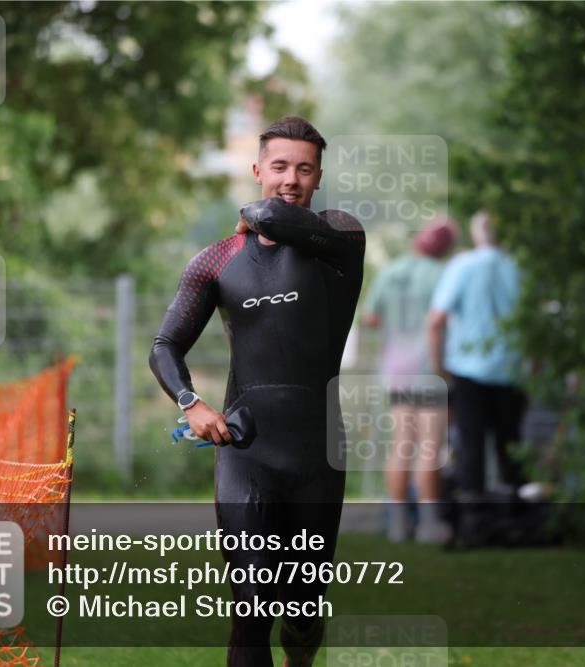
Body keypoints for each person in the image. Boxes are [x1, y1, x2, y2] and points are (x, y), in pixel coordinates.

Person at [149, 116, 365, 667]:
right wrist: (191, 404)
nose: (291, 178)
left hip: (318, 454)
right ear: (256, 169)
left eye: (304, 168)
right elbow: (164, 346)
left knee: (303, 610)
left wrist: (255, 210)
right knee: (251, 608)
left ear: (318, 177)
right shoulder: (217, 262)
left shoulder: (339, 239)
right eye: (278, 166)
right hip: (247, 454)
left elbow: (270, 215)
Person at [427, 211, 527, 544]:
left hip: (468, 368)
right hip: (511, 369)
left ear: (476, 234)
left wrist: (439, 365)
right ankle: (517, 518)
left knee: (469, 444)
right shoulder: (518, 267)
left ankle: (472, 521)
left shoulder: (463, 266)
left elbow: (437, 319)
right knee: (510, 444)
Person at [361, 218, 458, 543]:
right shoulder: (444, 275)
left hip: (397, 372)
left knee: (401, 447)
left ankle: (398, 525)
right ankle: (430, 525)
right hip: (430, 371)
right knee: (430, 448)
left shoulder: (391, 271)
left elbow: (370, 318)